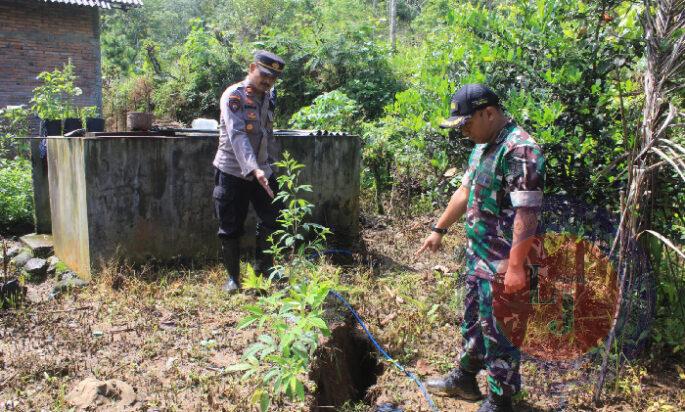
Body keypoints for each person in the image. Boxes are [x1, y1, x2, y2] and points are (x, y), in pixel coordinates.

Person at [416, 84, 545, 412]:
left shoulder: (520, 150)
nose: (464, 131)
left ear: (488, 113)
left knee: (502, 333)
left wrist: (516, 267)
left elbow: (526, 213)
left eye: (466, 123)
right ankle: (465, 379)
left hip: (506, 264)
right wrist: (438, 229)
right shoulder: (482, 144)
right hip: (480, 258)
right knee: (474, 319)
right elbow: (464, 191)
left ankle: (500, 402)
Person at [212, 50, 286, 293]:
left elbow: (267, 134)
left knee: (272, 217)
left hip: (263, 170)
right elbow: (238, 135)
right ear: (252, 67)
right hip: (234, 170)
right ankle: (233, 278)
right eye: (264, 75)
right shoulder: (234, 96)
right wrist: (253, 169)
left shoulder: (269, 97)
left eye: (272, 78)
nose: (268, 82)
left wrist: (269, 166)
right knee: (230, 225)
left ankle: (263, 269)